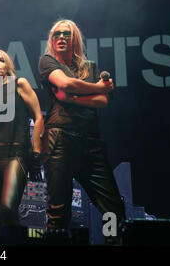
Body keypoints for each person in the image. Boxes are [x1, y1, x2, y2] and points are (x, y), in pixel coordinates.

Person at [38, 19, 125, 241]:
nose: (61, 37)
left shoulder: (91, 67)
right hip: (59, 139)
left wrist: (71, 98)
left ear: (74, 38)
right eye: (56, 34)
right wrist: (95, 88)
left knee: (113, 209)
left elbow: (102, 102)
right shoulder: (47, 62)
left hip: (90, 143)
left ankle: (113, 241)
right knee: (58, 211)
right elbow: (66, 85)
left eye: (66, 34)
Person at [0, 49, 44, 238]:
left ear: (8, 66)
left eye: (2, 60)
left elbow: (38, 118)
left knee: (7, 209)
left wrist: (36, 153)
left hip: (16, 155)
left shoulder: (19, 84)